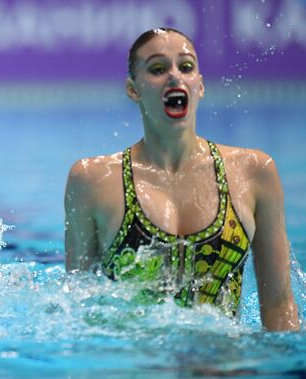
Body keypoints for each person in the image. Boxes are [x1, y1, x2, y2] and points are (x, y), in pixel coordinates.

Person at [64, 28, 299, 331]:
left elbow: (279, 305)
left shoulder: (254, 172)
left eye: (186, 67)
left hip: (222, 366)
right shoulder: (92, 180)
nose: (175, 77)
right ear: (133, 90)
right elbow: (77, 307)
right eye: (158, 69)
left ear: (199, 86)